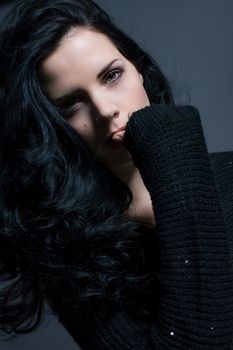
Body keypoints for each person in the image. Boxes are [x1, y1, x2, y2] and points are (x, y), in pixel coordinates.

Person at [0, 0, 233, 348]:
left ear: (137, 68)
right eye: (70, 104)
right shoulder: (74, 256)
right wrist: (172, 149)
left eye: (112, 76)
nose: (106, 110)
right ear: (51, 126)